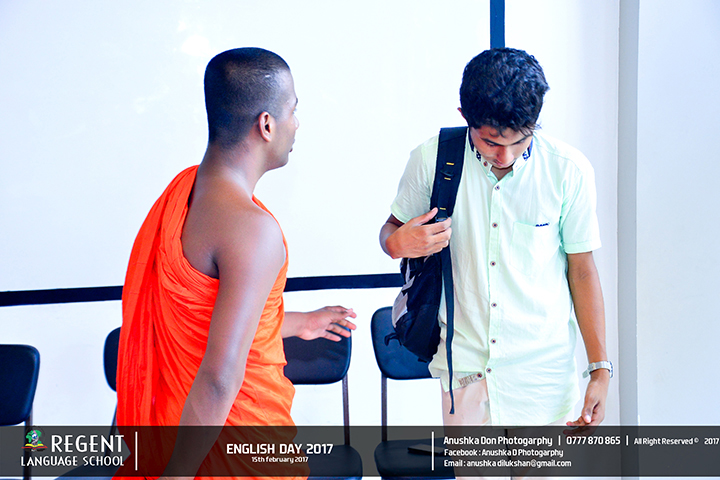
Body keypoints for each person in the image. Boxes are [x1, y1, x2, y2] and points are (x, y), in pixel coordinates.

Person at [115, 47, 356, 479]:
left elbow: (211, 319)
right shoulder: (252, 230)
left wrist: (300, 322)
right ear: (266, 124)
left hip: (175, 431)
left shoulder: (183, 193)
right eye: (293, 110)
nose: (296, 123)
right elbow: (219, 378)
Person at [380, 47, 610, 447]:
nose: (505, 155)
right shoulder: (432, 159)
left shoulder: (568, 170)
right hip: (465, 371)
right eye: (489, 142)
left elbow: (583, 271)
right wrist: (396, 244)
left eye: (519, 141)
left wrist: (600, 370)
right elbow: (390, 233)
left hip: (543, 377)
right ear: (464, 116)